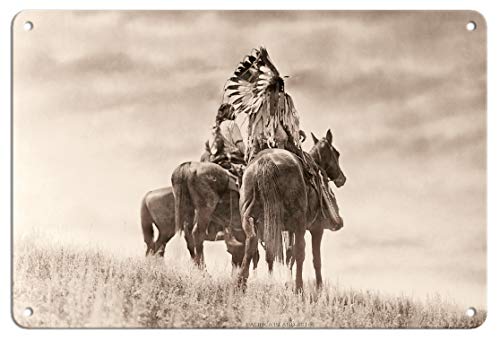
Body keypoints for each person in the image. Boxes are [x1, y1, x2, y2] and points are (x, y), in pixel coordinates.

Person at [205, 103, 246, 184]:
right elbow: (240, 145)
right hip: (233, 159)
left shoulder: (214, 128)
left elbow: (211, 147)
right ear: (229, 113)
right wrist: (248, 156)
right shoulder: (231, 124)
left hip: (216, 160)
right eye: (233, 111)